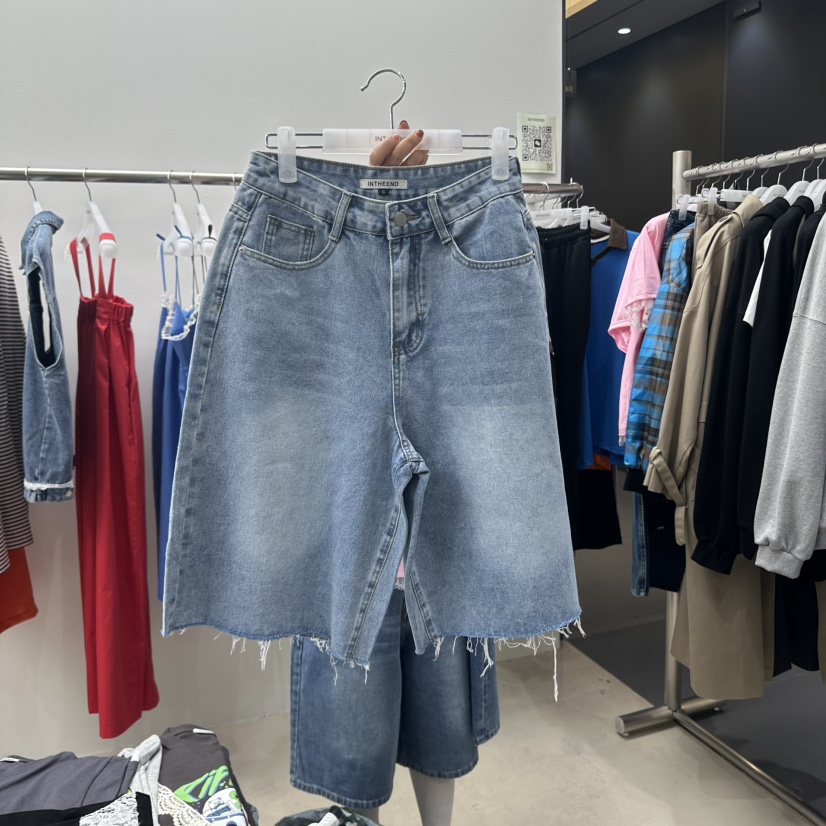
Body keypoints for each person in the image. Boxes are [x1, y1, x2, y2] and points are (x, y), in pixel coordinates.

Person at [288, 123, 499, 826]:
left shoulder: (455, 251)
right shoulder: (325, 261)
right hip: (348, 543)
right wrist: (365, 210)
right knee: (353, 739)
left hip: (441, 533)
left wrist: (425, 214)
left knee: (441, 722)